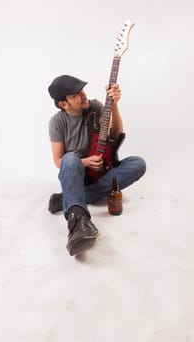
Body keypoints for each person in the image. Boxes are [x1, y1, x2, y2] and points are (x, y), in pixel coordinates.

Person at [48, 75, 146, 256]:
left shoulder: (94, 107)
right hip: (77, 175)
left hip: (103, 172)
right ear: (63, 104)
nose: (83, 95)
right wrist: (84, 161)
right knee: (69, 159)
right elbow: (58, 161)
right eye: (76, 94)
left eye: (82, 90)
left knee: (138, 163)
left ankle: (68, 199)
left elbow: (117, 133)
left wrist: (114, 103)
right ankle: (78, 222)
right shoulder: (57, 122)